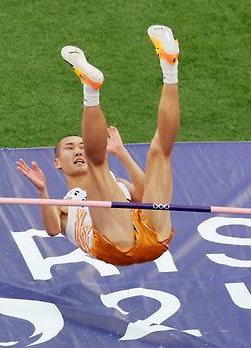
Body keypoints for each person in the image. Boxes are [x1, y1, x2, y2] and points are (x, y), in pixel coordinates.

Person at [16, 25, 180, 266]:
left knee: (160, 152)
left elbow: (150, 198)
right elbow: (52, 229)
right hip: (116, 243)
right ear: (57, 163)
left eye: (81, 144)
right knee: (98, 167)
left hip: (153, 234)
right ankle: (92, 90)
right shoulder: (62, 204)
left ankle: (169, 66)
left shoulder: (119, 185)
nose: (78, 149)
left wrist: (122, 154)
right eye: (69, 147)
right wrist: (43, 191)